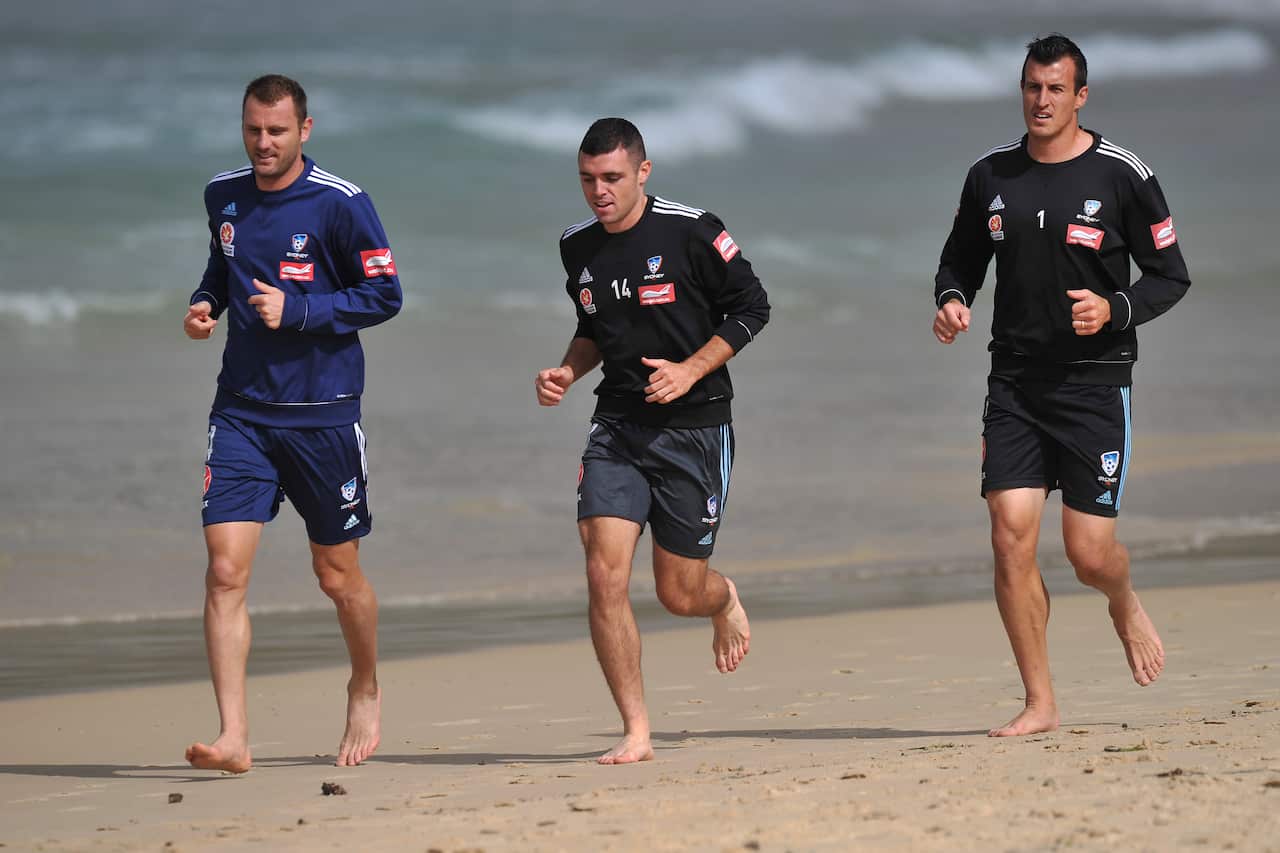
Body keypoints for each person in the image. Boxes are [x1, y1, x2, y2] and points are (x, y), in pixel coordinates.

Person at [932, 34, 1190, 737]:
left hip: (1094, 385)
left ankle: (1123, 598)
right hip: (1014, 382)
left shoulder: (1123, 175)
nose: (1041, 100)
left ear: (1081, 96)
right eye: (1032, 87)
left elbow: (1172, 275)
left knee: (1088, 554)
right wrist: (953, 299)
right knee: (1009, 535)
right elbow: (960, 259)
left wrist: (1116, 308)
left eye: (1056, 89)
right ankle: (1041, 700)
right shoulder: (990, 175)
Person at [182, 74, 402, 771]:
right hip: (242, 412)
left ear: (304, 129)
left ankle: (365, 682)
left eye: (277, 131)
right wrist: (204, 304)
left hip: (323, 418)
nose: (263, 143)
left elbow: (385, 294)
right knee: (224, 570)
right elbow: (223, 267)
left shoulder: (342, 204)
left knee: (337, 576)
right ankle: (234, 736)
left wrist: (301, 311)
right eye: (253, 130)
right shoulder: (224, 194)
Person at [535, 118, 770, 764]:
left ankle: (723, 599)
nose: (598, 192)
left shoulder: (693, 230)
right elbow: (592, 326)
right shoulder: (575, 245)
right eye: (587, 180)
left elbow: (754, 306)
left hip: (695, 428)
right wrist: (566, 370)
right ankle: (637, 729)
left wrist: (692, 368)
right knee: (603, 571)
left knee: (678, 591)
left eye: (611, 178)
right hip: (618, 424)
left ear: (643, 171)